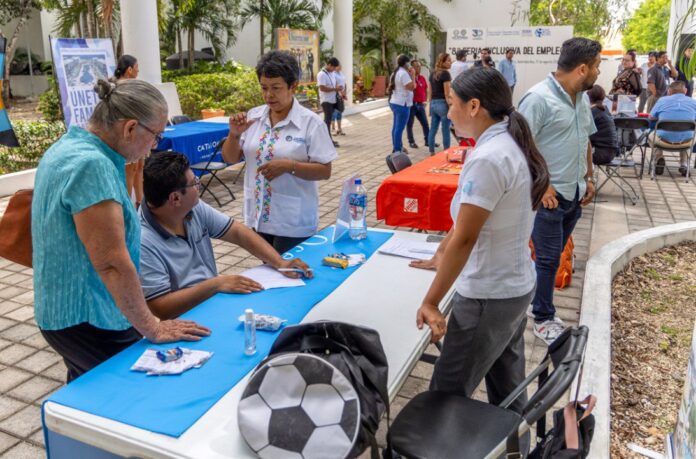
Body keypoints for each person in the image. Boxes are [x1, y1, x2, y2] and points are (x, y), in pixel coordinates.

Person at [32, 79, 210, 382]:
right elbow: (111, 262)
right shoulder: (92, 165)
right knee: (132, 388)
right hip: (88, 315)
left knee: (87, 387)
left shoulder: (70, 146)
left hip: (64, 309)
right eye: (155, 136)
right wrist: (152, 326)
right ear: (130, 128)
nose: (154, 147)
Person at [412, 67, 549, 418]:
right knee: (508, 392)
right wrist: (441, 253)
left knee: (444, 395)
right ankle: (517, 447)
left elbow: (468, 237)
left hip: (488, 295)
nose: (446, 110)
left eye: (452, 103)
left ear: (474, 106)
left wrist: (431, 301)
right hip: (512, 287)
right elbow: (467, 226)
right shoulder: (505, 143)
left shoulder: (489, 158)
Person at [139, 152, 312, 319]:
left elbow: (237, 232)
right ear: (175, 198)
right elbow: (161, 307)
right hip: (187, 320)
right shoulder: (143, 240)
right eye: (194, 183)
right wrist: (216, 284)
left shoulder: (192, 208)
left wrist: (280, 262)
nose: (198, 186)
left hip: (214, 302)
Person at [518, 37, 601, 345]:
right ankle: (541, 316)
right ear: (582, 69)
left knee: (550, 257)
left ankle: (530, 297)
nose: (598, 73)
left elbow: (586, 141)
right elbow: (519, 146)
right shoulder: (538, 99)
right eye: (596, 67)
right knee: (549, 259)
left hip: (575, 192)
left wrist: (589, 178)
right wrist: (542, 186)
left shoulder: (580, 98)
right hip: (550, 197)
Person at [221, 50, 336, 255]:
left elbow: (324, 170)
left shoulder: (311, 123)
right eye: (264, 88)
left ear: (293, 86)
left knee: (292, 274)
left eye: (276, 88)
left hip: (293, 221)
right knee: (268, 273)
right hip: (258, 216)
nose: (268, 95)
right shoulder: (254, 117)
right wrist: (234, 136)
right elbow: (230, 158)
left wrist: (289, 166)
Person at [113, 55, 145, 209]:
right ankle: (128, 209)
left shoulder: (135, 85)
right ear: (130, 70)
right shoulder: (117, 87)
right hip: (125, 133)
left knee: (139, 167)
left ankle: (141, 203)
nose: (138, 70)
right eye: (137, 66)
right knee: (130, 170)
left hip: (138, 130)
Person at [648, 80, 696, 176]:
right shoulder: (693, 102)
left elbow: (651, 117)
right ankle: (684, 164)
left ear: (669, 91)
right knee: (688, 133)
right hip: (687, 141)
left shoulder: (662, 100)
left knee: (650, 135)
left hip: (663, 140)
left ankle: (658, 158)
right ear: (685, 91)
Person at [388, 54, 415, 153]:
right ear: (406, 63)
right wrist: (413, 75)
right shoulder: (403, 74)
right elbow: (411, 87)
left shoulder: (396, 72)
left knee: (396, 127)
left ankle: (398, 146)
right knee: (399, 128)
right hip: (402, 103)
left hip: (395, 102)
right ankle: (397, 149)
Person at [428, 52, 453, 155]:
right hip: (443, 104)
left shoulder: (432, 74)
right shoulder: (446, 74)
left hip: (433, 103)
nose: (450, 63)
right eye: (448, 61)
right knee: (445, 129)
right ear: (442, 62)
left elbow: (429, 92)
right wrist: (451, 107)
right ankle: (447, 151)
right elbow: (447, 94)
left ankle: (431, 151)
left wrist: (430, 107)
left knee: (433, 129)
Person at [587, 85, 619, 165]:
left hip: (600, 153)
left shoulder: (593, 112)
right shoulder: (604, 110)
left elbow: (584, 134)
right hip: (610, 153)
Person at [317, 57, 342, 147]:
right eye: (333, 68)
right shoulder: (321, 74)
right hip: (326, 100)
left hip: (332, 100)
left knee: (328, 120)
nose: (334, 70)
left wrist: (338, 88)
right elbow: (322, 88)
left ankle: (327, 140)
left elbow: (334, 84)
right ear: (329, 65)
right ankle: (328, 141)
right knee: (327, 121)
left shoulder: (332, 73)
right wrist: (335, 89)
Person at [406, 59, 430, 149]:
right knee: (410, 124)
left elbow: (426, 89)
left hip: (420, 104)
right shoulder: (409, 78)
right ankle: (411, 142)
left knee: (425, 124)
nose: (419, 68)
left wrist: (425, 100)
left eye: (420, 66)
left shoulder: (422, 78)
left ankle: (428, 141)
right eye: (417, 66)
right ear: (412, 68)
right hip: (411, 105)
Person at [331, 64, 346, 136]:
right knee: (334, 112)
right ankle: (333, 129)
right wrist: (340, 92)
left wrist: (344, 93)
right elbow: (335, 84)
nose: (340, 67)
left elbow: (344, 83)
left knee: (340, 111)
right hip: (336, 95)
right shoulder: (333, 74)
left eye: (341, 66)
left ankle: (339, 129)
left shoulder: (341, 73)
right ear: (335, 67)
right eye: (338, 66)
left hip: (341, 94)